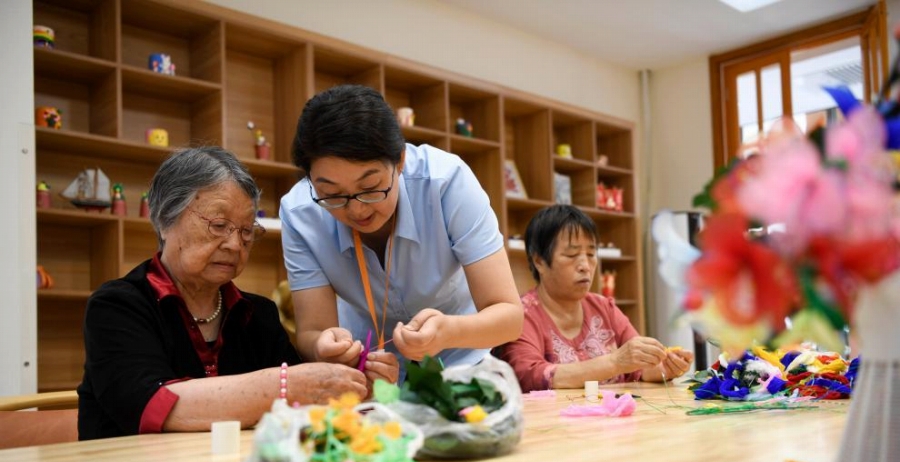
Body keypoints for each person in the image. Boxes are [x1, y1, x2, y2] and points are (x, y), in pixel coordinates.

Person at [78, 147, 372, 440]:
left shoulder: (259, 315)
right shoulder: (118, 306)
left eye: (246, 231)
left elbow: (300, 410)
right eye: (219, 226)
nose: (234, 244)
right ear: (165, 220)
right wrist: (284, 385)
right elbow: (151, 405)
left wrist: (352, 381)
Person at [280, 84, 523, 377]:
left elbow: (509, 316)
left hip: (462, 364)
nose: (357, 210)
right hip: (368, 373)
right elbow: (312, 331)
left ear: (400, 161)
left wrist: (448, 332)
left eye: (369, 188)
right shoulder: (299, 213)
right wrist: (324, 349)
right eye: (332, 195)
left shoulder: (446, 182)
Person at [499, 205, 693, 392]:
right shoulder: (521, 315)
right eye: (571, 254)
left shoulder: (603, 306)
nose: (585, 265)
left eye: (591, 254)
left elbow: (639, 368)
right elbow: (530, 375)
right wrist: (614, 362)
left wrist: (664, 368)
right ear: (539, 261)